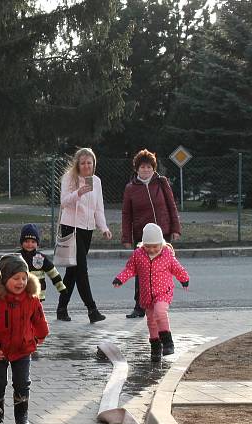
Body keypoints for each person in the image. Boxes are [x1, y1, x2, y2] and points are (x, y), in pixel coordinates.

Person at [0, 253, 49, 424]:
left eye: (24, 278)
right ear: (5, 279)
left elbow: (39, 320)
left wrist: (40, 337)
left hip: (23, 350)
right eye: (16, 278)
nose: (21, 282)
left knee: (22, 382)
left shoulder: (31, 299)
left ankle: (21, 418)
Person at [113, 223, 189, 362]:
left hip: (163, 292)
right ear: (143, 244)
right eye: (148, 247)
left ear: (161, 243)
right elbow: (130, 269)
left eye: (155, 246)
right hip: (147, 294)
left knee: (160, 312)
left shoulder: (167, 255)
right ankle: (155, 347)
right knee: (151, 321)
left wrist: (184, 279)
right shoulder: (138, 255)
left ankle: (167, 342)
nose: (152, 250)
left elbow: (178, 269)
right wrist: (120, 279)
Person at [121, 149, 181, 318]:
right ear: (137, 169)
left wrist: (176, 229)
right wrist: (127, 237)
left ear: (153, 168)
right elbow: (126, 214)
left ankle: (161, 303)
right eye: (142, 167)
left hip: (163, 235)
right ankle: (139, 306)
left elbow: (172, 207)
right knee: (141, 272)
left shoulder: (162, 183)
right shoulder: (130, 188)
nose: (146, 170)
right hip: (142, 237)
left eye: (149, 166)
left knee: (161, 270)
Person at [55, 147, 112, 323]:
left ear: (94, 164)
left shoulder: (96, 181)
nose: (86, 166)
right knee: (81, 270)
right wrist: (78, 192)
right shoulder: (69, 178)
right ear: (77, 164)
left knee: (72, 271)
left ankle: (61, 308)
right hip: (71, 227)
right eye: (83, 163)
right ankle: (92, 309)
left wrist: (103, 228)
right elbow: (64, 202)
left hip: (87, 229)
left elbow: (98, 208)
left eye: (89, 162)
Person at [18, 223, 67, 302]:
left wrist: (60, 287)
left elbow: (53, 273)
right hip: (20, 293)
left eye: (33, 242)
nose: (30, 244)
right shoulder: (17, 257)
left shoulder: (41, 258)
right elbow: (8, 274)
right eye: (26, 241)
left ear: (37, 243)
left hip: (37, 293)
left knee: (36, 313)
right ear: (21, 242)